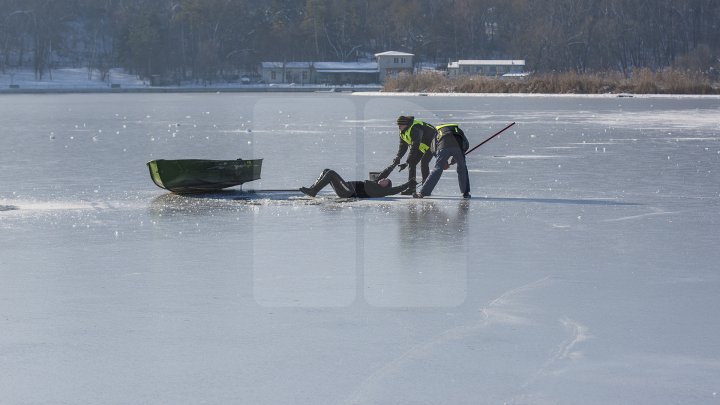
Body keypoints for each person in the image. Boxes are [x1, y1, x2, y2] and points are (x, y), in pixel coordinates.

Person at [376, 116, 436, 195]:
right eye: (398, 125)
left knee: (424, 163)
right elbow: (403, 147)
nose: (399, 127)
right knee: (412, 163)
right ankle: (411, 188)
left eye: (400, 125)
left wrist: (407, 162)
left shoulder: (415, 129)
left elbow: (414, 147)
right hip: (422, 144)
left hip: (433, 142)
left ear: (405, 124)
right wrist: (398, 157)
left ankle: (426, 188)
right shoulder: (402, 132)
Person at [414, 123, 471, 199]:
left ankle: (422, 193)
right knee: (462, 168)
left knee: (437, 169)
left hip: (443, 147)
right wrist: (457, 157)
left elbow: (433, 149)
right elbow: (466, 145)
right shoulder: (458, 130)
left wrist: (443, 162)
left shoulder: (438, 132)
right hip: (458, 147)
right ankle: (465, 193)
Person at [299, 169, 416, 198]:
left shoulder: (382, 191)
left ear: (386, 186)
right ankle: (313, 189)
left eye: (385, 181)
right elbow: (384, 173)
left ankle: (313, 191)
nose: (383, 179)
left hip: (348, 192)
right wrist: (394, 164)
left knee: (330, 173)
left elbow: (395, 190)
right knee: (326, 170)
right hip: (345, 188)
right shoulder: (375, 183)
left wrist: (409, 184)